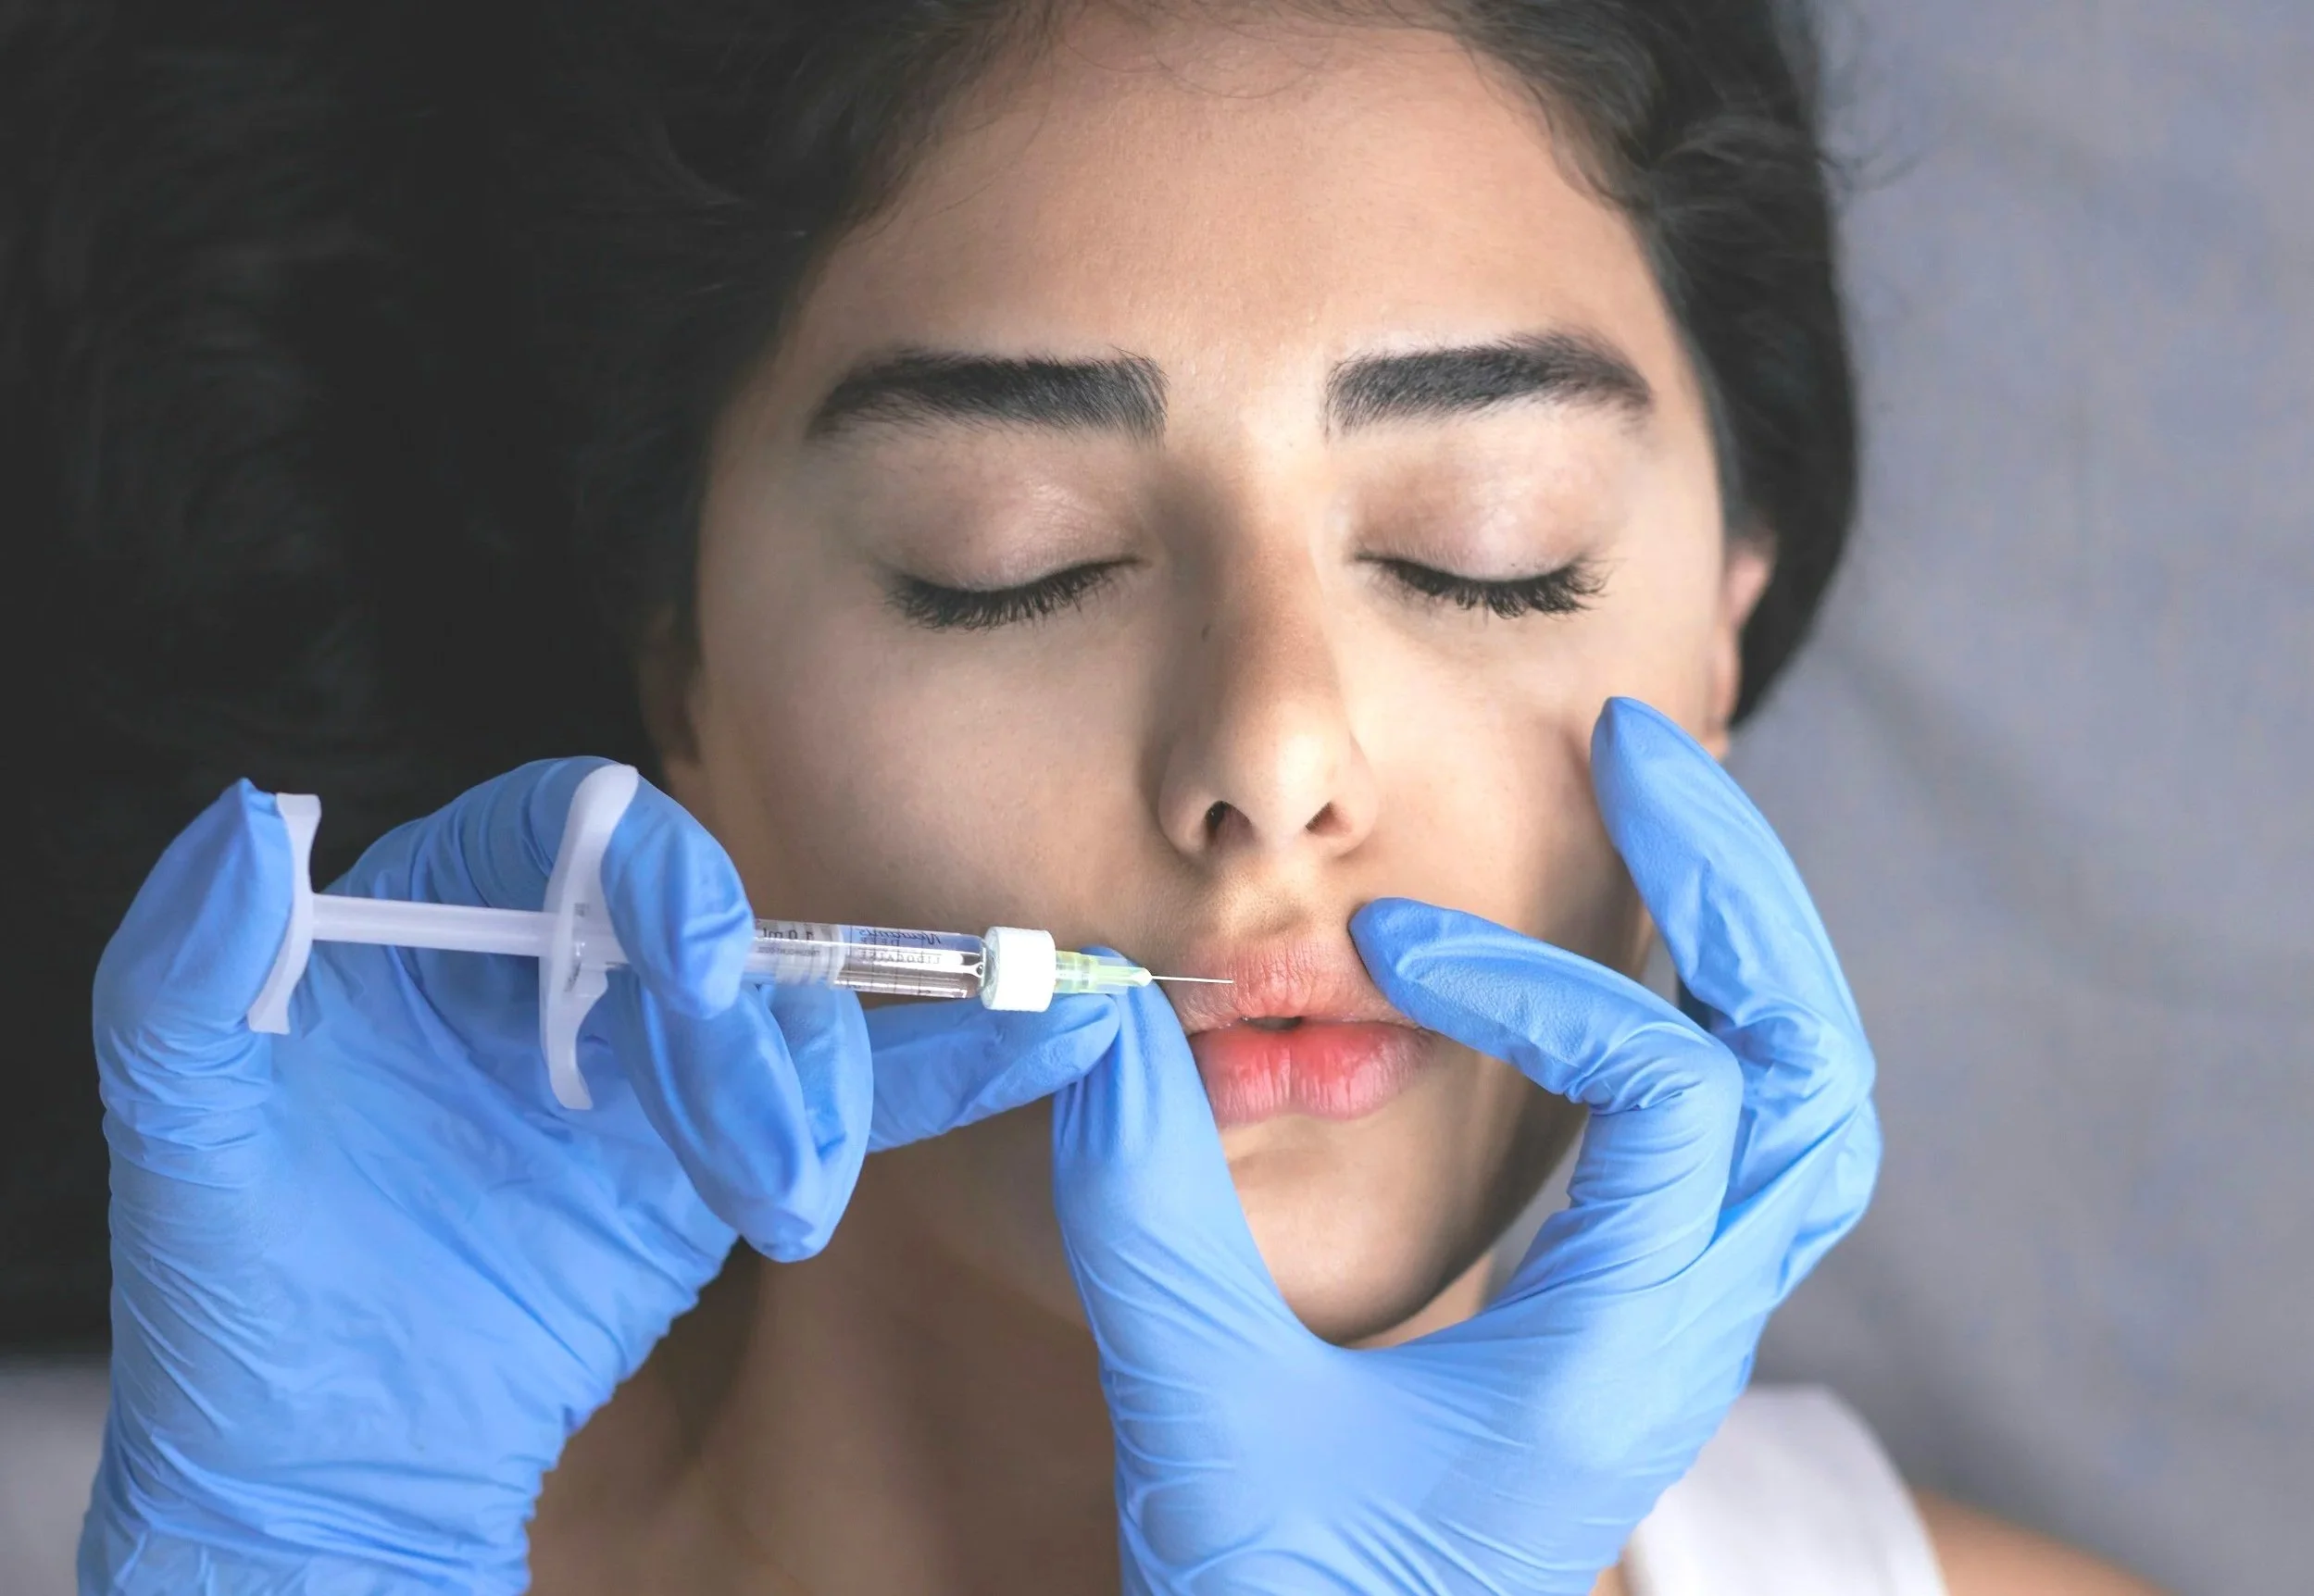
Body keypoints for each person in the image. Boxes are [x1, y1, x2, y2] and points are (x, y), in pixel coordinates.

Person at [53, 1, 2162, 1591]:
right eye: (1013, 558)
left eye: (1482, 546)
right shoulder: (238, 1516)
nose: (1268, 753)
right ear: (671, 654)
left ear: (1719, 628)